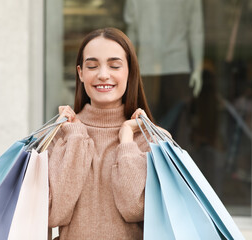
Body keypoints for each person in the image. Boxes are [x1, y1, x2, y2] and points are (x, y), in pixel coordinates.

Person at [47, 27, 169, 239]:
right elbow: (53, 213)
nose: (103, 75)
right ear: (80, 73)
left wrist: (127, 141)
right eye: (92, 66)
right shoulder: (59, 135)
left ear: (129, 71)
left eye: (114, 65)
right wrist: (76, 136)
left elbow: (135, 209)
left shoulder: (153, 138)